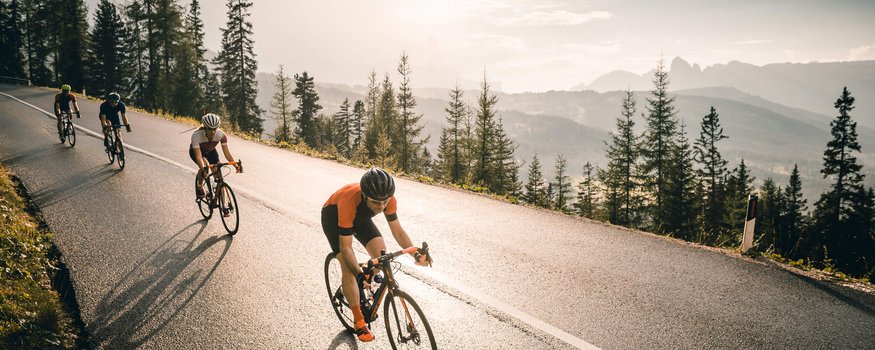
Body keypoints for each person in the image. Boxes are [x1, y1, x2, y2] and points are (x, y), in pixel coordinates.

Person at [321, 167, 431, 342]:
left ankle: (366, 277)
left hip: (361, 218)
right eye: (376, 202)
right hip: (334, 218)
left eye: (384, 202)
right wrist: (358, 274)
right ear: (364, 196)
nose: (381, 207)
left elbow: (398, 232)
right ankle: (359, 320)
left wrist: (416, 254)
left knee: (381, 255)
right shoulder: (350, 200)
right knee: (348, 267)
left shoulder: (387, 199)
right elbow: (347, 248)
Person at [190, 113, 241, 210]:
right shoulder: (196, 136)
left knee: (219, 177)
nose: (213, 131)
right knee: (205, 166)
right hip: (197, 152)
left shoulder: (221, 135)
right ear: (205, 127)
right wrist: (203, 169)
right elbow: (198, 156)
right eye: (210, 129)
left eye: (215, 128)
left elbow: (227, 154)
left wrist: (235, 165)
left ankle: (224, 205)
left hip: (211, 151)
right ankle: (199, 185)